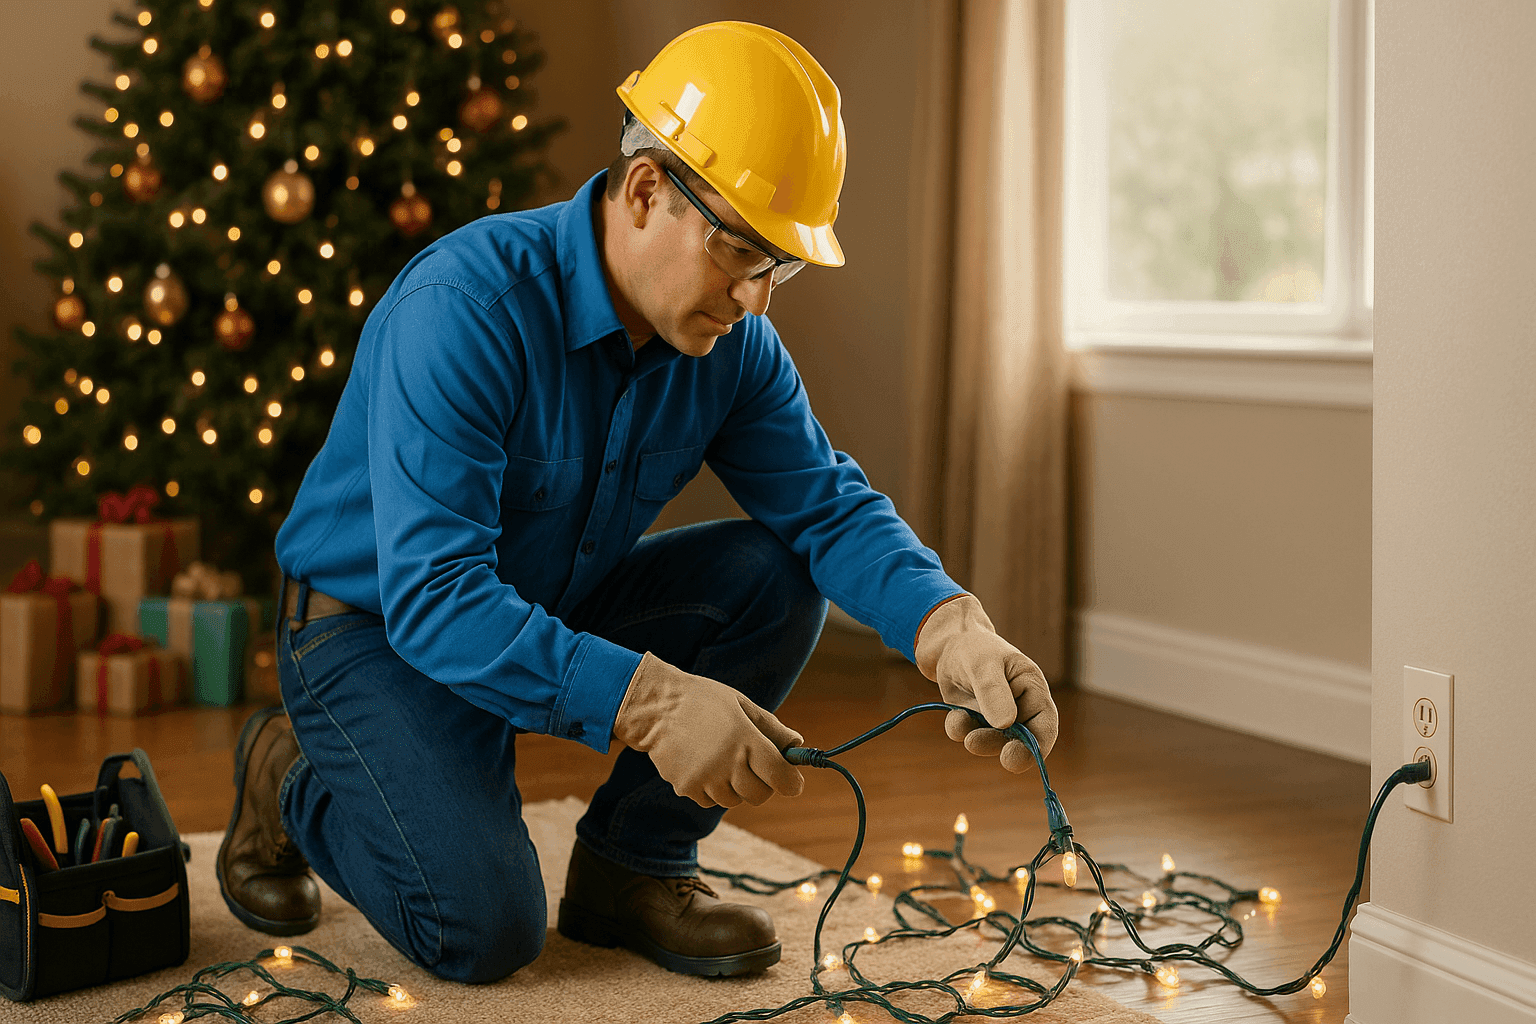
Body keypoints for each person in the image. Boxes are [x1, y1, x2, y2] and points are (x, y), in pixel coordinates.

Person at [216, 20, 1058, 983]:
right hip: (370, 630)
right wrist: (651, 702)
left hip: (540, 600)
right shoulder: (465, 309)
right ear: (648, 189)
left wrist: (951, 628)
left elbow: (825, 507)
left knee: (773, 575)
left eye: (775, 266)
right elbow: (437, 598)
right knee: (481, 930)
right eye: (741, 251)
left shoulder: (733, 349)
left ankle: (633, 869)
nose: (756, 298)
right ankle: (291, 778)